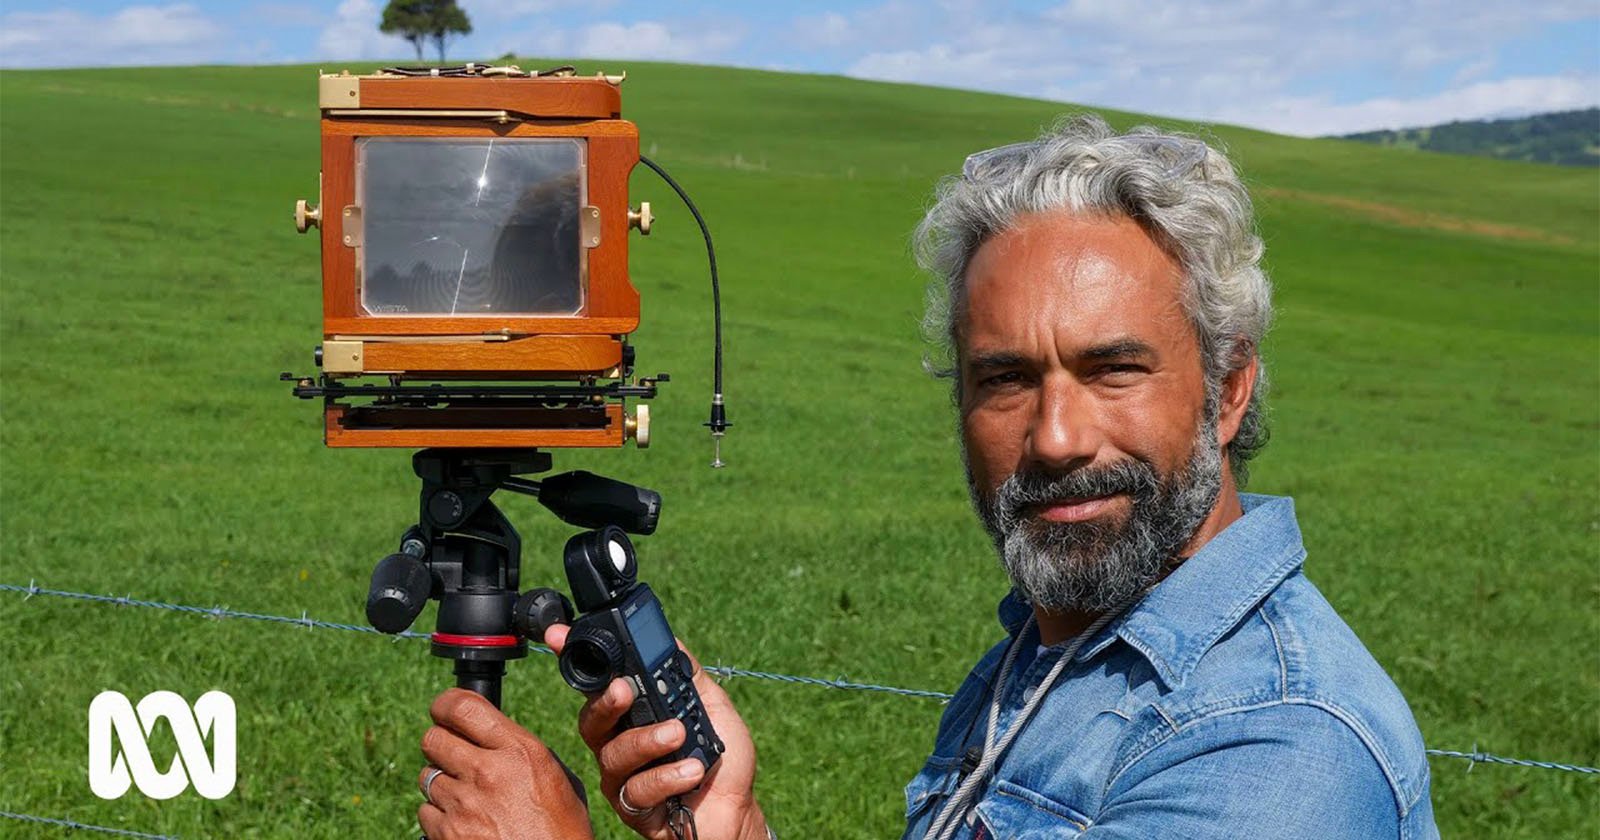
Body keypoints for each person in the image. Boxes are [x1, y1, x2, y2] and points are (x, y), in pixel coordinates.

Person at [415, 115, 1439, 839]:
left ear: (1225, 389)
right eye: (1003, 378)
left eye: (1112, 368)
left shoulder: (1269, 749)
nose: (1054, 437)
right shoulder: (1063, 654)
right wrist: (729, 830)